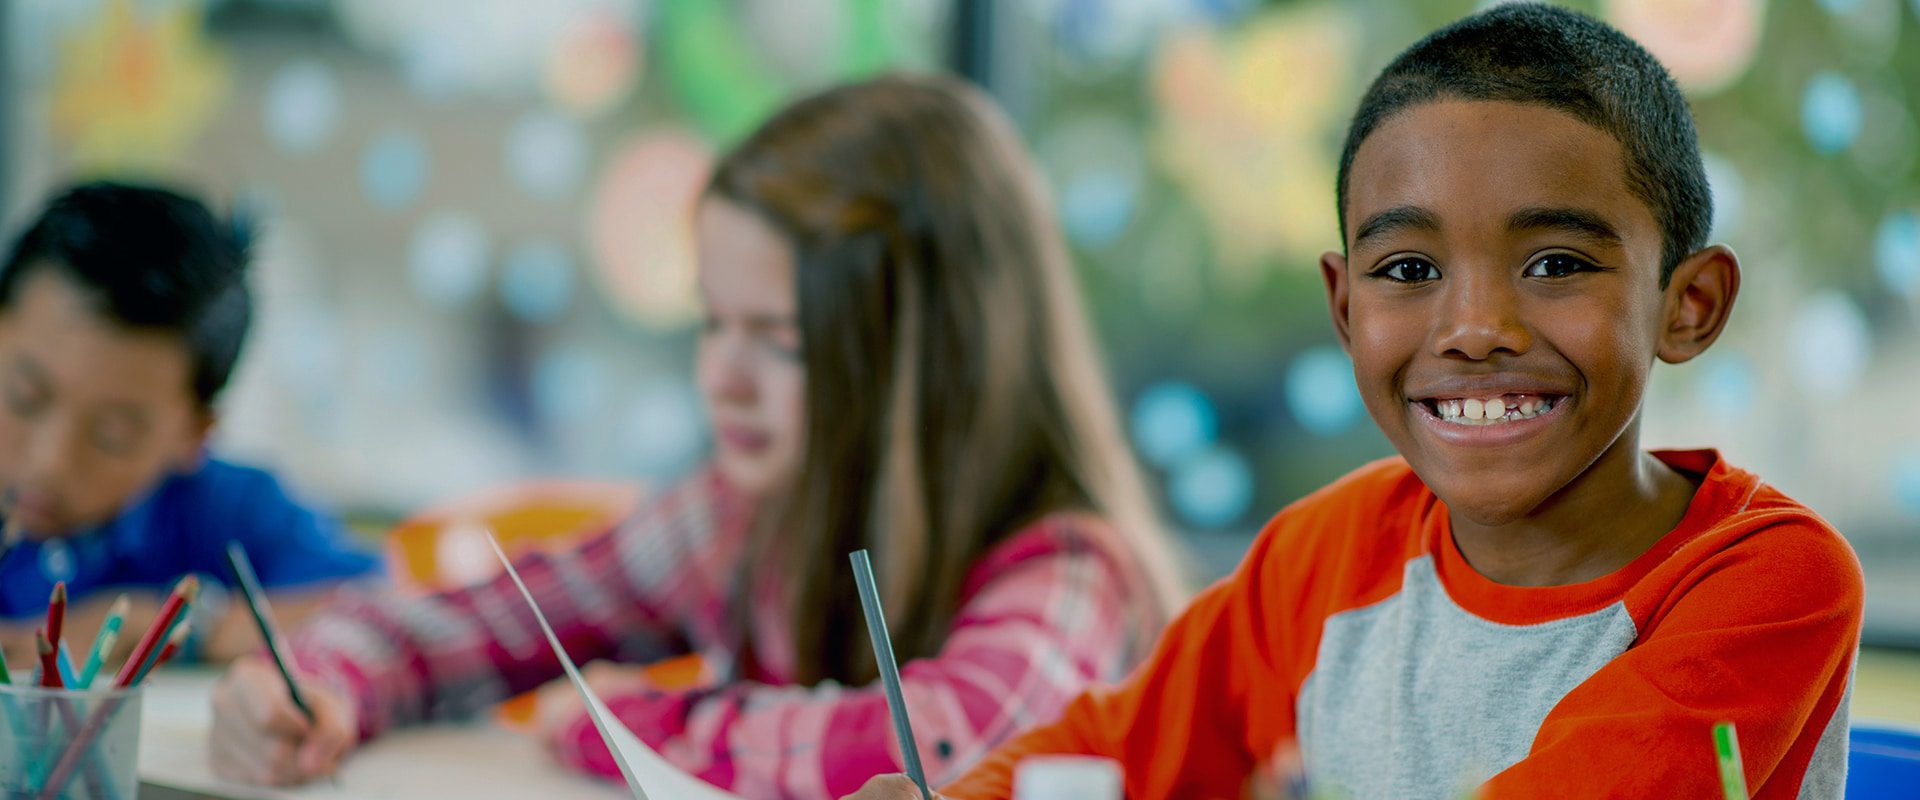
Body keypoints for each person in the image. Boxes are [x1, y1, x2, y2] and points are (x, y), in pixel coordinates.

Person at [848, 5, 1861, 799]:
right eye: (1409, 266)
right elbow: (1114, 747)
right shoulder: (1326, 552)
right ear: (1343, 307)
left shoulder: (1772, 581)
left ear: (1689, 304)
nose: (1475, 326)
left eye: (1555, 262)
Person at [208, 74, 1186, 799]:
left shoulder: (1069, 568)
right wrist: (315, 684)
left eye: (779, 340)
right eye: (714, 322)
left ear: (934, 366)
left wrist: (626, 722)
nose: (720, 375)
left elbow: (937, 748)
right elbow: (466, 624)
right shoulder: (740, 517)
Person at [0, 181, 380, 666]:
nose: (49, 461)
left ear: (195, 432)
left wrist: (163, 624)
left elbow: (396, 615)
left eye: (113, 434)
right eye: (25, 397)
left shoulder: (228, 509)